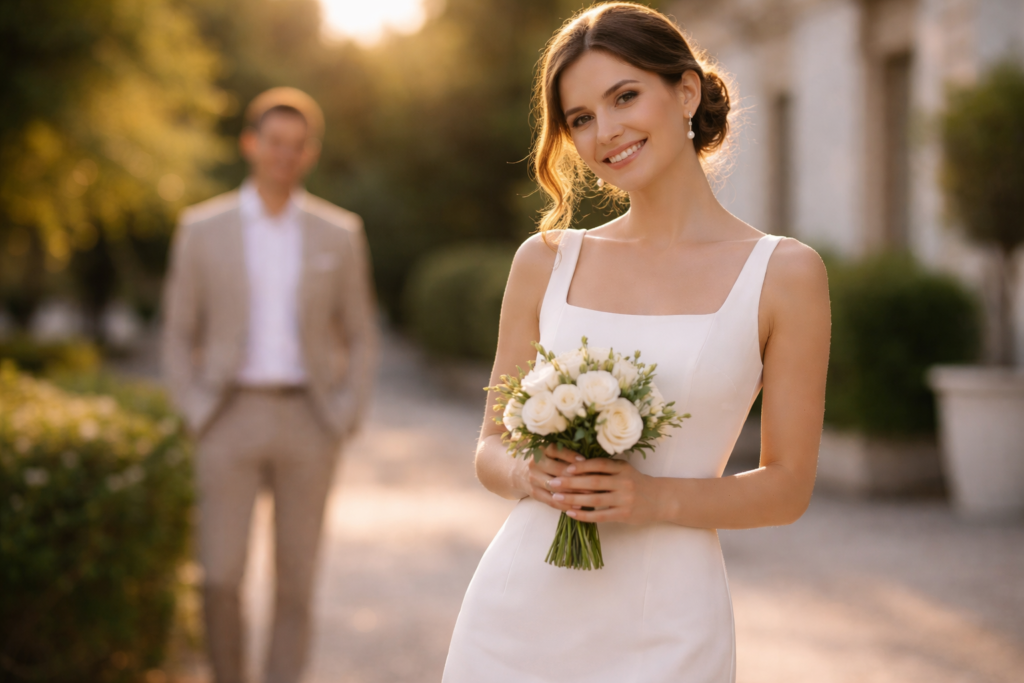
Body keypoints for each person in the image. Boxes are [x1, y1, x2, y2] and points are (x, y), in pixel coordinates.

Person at [443, 4, 830, 682]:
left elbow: (787, 486)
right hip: (518, 616)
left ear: (686, 91)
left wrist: (653, 499)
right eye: (582, 118)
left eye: (625, 96)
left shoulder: (785, 273)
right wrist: (526, 474)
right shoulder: (545, 260)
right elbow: (488, 446)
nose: (607, 132)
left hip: (669, 621)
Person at [162, 87, 378, 683]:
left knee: (296, 581)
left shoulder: (339, 232)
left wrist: (346, 411)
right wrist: (193, 407)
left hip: (310, 420)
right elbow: (178, 331)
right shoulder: (202, 229)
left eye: (297, 145)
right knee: (219, 575)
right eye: (274, 142)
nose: (284, 154)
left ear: (308, 154)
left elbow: (361, 332)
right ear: (251, 144)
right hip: (226, 417)